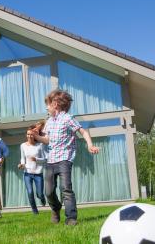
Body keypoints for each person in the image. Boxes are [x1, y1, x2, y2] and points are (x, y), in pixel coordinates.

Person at [32, 89, 99, 226]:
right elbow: (47, 140)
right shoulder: (49, 121)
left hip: (64, 159)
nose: (46, 107)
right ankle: (55, 209)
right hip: (50, 160)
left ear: (55, 104)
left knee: (65, 189)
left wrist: (90, 145)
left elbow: (83, 131)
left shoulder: (68, 118)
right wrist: (36, 136)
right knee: (48, 192)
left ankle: (71, 218)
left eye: (48, 105)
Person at [18, 126, 47, 214]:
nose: (29, 136)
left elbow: (45, 159)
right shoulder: (23, 145)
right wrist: (22, 164)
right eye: (28, 134)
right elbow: (23, 158)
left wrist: (37, 159)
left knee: (39, 194)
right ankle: (35, 211)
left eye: (31, 134)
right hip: (27, 173)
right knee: (30, 192)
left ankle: (42, 198)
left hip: (38, 173)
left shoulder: (40, 145)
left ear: (34, 135)